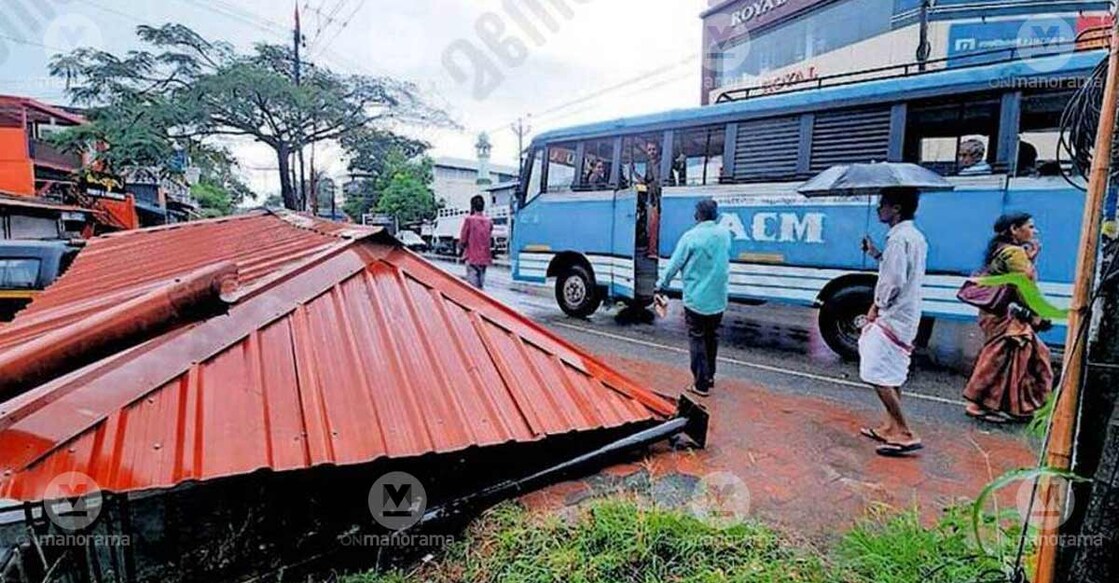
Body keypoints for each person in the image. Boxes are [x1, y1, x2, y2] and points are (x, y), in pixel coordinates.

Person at [962, 213, 1054, 423]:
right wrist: (1038, 315)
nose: (1034, 231)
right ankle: (978, 402)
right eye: (1030, 226)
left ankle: (1004, 405)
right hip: (1008, 315)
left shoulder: (1002, 250)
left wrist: (1030, 258)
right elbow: (1025, 286)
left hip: (998, 314)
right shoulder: (1013, 253)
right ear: (1014, 229)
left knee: (1016, 358)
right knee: (1000, 358)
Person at [858, 188, 927, 457]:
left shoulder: (899, 240)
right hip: (907, 315)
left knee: (875, 372)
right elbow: (898, 269)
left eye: (882, 204)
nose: (878, 209)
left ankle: (905, 431)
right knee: (892, 372)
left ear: (896, 208)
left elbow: (893, 281)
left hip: (893, 316)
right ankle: (889, 426)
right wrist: (876, 253)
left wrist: (876, 307)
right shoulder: (914, 237)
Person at [655, 198, 731, 397]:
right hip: (718, 298)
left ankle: (701, 384)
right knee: (711, 337)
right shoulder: (724, 235)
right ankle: (710, 376)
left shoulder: (691, 237)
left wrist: (661, 285)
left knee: (697, 338)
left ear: (698, 215)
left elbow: (674, 264)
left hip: (696, 299)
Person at [459, 195, 493, 290]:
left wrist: (461, 251)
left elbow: (463, 239)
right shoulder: (489, 221)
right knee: (480, 285)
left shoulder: (469, 220)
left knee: (472, 288)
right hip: (484, 258)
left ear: (472, 206)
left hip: (472, 257)